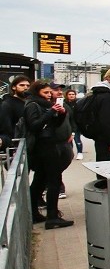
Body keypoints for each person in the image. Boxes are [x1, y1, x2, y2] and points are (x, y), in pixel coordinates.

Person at [24, 80, 74, 229]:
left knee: (40, 180)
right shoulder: (32, 105)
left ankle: (35, 213)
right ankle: (52, 217)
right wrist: (52, 112)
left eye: (49, 92)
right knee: (54, 180)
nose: (49, 95)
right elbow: (34, 125)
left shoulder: (43, 105)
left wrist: (60, 114)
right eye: (45, 93)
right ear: (37, 92)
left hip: (47, 145)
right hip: (43, 147)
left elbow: (53, 125)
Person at [0, 75, 32, 153]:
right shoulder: (7, 104)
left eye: (28, 85)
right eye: (22, 85)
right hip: (16, 146)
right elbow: (6, 128)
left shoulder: (30, 103)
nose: (25, 87)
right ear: (14, 87)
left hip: (29, 144)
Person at [63, 88, 84, 160]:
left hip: (76, 124)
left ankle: (80, 152)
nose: (71, 96)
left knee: (77, 139)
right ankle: (70, 153)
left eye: (73, 94)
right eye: (70, 94)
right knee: (68, 140)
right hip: (67, 124)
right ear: (66, 95)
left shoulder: (78, 103)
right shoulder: (64, 103)